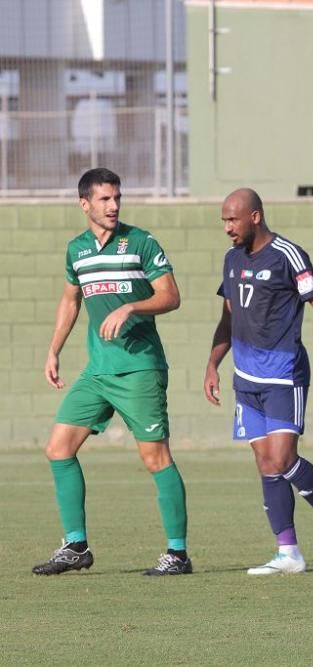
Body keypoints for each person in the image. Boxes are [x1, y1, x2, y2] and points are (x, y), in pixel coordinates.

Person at [33, 167, 191, 576]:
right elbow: (70, 302)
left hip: (139, 369)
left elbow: (171, 295)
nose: (113, 205)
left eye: (117, 197)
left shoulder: (140, 242)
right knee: (58, 448)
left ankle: (177, 554)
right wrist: (53, 351)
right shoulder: (77, 250)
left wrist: (131, 306)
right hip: (97, 372)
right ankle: (76, 547)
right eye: (104, 199)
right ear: (84, 204)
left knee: (156, 459)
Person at [203, 188, 313, 575]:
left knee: (284, 459)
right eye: (223, 220)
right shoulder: (232, 260)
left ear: (255, 216)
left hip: (283, 375)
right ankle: (289, 552)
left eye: (232, 219)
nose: (227, 228)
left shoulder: (288, 255)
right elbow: (228, 316)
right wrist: (212, 363)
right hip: (245, 379)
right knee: (266, 464)